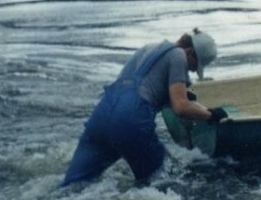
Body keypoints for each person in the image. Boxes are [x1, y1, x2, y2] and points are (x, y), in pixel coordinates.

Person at [61, 28, 228, 186]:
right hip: (130, 122)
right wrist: (211, 115)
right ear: (190, 52)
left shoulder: (150, 49)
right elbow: (181, 107)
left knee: (74, 185)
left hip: (100, 118)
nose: (190, 71)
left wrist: (184, 95)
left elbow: (156, 87)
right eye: (193, 67)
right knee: (170, 180)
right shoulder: (178, 55)